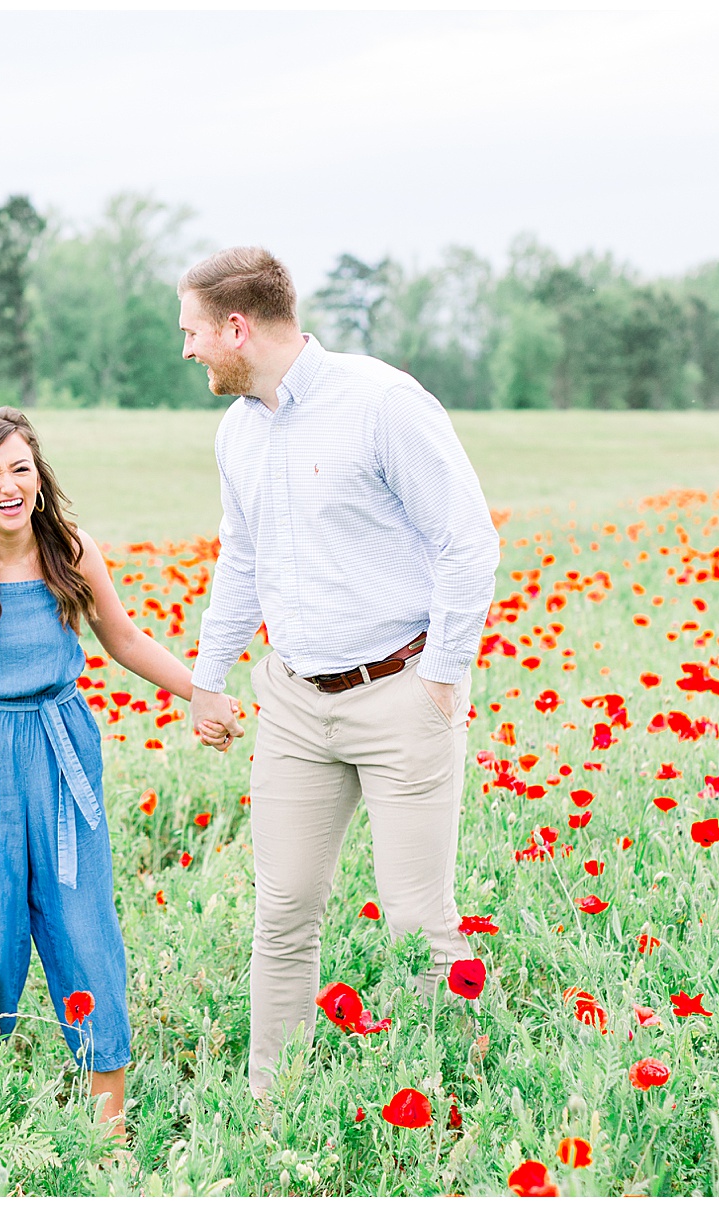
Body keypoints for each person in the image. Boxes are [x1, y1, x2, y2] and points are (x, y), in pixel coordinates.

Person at [176, 246, 502, 1100]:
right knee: (282, 913)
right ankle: (271, 1102)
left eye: (195, 331)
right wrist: (210, 675)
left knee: (416, 919)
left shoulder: (380, 403)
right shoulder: (237, 429)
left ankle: (470, 1092)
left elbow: (468, 541)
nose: (189, 350)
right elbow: (239, 559)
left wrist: (441, 677)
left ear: (236, 326)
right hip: (292, 699)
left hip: (400, 692)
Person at [0, 407, 244, 1136]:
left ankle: (108, 1127)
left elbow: (123, 637)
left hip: (59, 754)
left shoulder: (71, 550)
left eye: (19, 467)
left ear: (39, 477)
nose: (7, 484)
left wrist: (200, 691)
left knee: (84, 932)